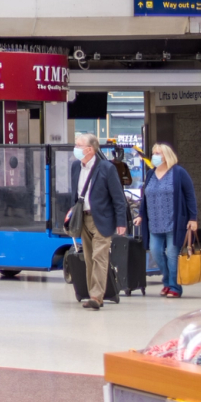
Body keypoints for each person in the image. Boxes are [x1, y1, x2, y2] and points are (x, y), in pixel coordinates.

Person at [65, 133, 128, 310]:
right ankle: (92, 292)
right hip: (83, 218)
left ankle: (96, 296)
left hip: (102, 219)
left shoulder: (107, 168)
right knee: (88, 258)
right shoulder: (76, 167)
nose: (75, 149)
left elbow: (118, 198)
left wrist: (121, 222)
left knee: (99, 256)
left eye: (79, 146)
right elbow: (75, 194)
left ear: (90, 149)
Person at [135, 143, 198, 298]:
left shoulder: (178, 172)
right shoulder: (150, 174)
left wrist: (193, 218)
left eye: (158, 153)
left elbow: (190, 196)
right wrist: (141, 214)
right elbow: (145, 197)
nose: (155, 156)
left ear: (167, 155)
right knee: (156, 252)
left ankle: (174, 287)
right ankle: (168, 282)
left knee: (172, 255)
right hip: (154, 223)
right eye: (154, 153)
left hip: (174, 223)